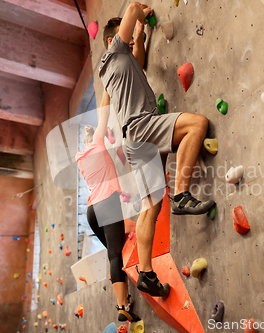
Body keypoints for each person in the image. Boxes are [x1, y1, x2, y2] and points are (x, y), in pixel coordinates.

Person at [99, 2, 215, 298]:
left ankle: (146, 273)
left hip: (134, 138)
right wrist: (139, 12)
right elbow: (133, 8)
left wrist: (140, 31)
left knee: (151, 206)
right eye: (123, 38)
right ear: (113, 41)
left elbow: (138, 57)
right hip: (143, 125)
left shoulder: (117, 65)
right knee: (196, 125)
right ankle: (182, 195)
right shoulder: (113, 52)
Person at [75, 105, 140, 323]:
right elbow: (104, 114)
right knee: (115, 254)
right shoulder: (97, 144)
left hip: (92, 212)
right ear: (95, 138)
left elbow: (103, 181)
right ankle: (123, 306)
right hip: (105, 205)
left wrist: (120, 192)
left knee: (117, 252)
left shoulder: (81, 160)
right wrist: (106, 87)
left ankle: (125, 296)